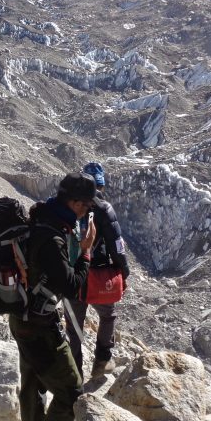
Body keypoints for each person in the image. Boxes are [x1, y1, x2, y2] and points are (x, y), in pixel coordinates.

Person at [11, 171, 96, 421]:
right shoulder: (52, 234)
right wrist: (85, 253)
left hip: (22, 318)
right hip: (39, 327)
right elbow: (71, 285)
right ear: (73, 202)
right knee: (72, 393)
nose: (87, 210)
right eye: (85, 205)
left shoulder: (43, 216)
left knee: (33, 382)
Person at [64, 161, 130, 380]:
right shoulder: (104, 209)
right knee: (108, 315)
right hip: (97, 274)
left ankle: (75, 375)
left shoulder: (68, 204)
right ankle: (102, 360)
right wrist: (123, 272)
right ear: (101, 185)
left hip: (72, 274)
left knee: (74, 327)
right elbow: (116, 245)